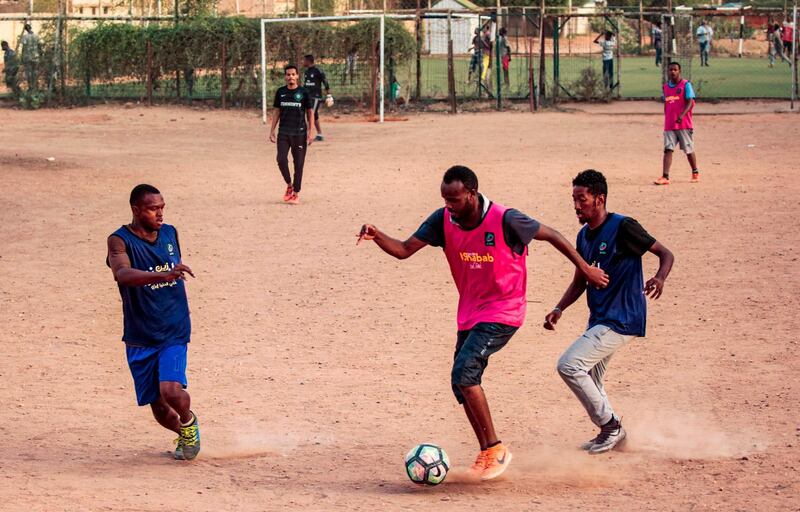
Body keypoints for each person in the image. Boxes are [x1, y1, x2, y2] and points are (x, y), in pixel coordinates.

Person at [357, 165, 609, 480]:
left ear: (472, 194)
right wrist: (377, 234)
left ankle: (495, 448)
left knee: (465, 371)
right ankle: (487, 451)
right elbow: (404, 250)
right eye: (445, 200)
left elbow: (553, 235)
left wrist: (585, 268)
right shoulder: (443, 220)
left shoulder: (506, 219)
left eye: (456, 200)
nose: (449, 206)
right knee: (459, 383)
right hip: (471, 313)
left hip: (505, 310)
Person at [546, 170, 674, 455]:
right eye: (574, 200)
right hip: (601, 319)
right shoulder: (584, 236)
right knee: (591, 377)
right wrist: (559, 308)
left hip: (622, 318)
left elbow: (666, 254)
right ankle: (617, 435)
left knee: (569, 365)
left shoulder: (623, 227)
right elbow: (582, 277)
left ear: (599, 199)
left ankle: (610, 427)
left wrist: (660, 277)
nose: (577, 206)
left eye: (582, 199)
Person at [106, 184, 201, 461]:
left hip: (173, 325)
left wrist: (170, 276)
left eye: (162, 208)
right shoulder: (119, 240)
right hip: (139, 333)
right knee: (158, 407)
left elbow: (174, 268)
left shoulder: (170, 233)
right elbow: (122, 274)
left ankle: (188, 421)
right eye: (152, 209)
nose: (160, 214)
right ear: (136, 210)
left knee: (170, 390)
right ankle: (184, 432)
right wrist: (164, 276)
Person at [269, 64, 314, 205]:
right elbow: (276, 111)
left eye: (293, 74)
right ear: (285, 77)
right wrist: (272, 130)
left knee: (298, 164)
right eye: (288, 75)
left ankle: (296, 193)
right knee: (281, 159)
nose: (291, 77)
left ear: (297, 76)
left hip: (299, 133)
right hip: (283, 132)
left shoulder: (304, 93)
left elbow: (310, 112)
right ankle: (289, 185)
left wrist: (311, 130)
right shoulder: (280, 92)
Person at [655, 62, 700, 185]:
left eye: (675, 69)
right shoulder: (665, 87)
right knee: (668, 149)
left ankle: (695, 171)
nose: (672, 72)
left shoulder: (686, 85)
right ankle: (665, 176)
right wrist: (667, 117)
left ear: (679, 71)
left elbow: (691, 102)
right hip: (669, 125)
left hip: (684, 124)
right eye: (670, 70)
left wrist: (682, 115)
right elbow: (666, 103)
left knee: (688, 150)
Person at [303, 54, 331, 142]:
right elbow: (306, 84)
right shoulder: (306, 72)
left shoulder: (318, 70)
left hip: (315, 97)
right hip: (307, 97)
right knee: (314, 116)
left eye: (304, 60)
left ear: (308, 61)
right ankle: (319, 134)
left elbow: (325, 82)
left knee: (310, 114)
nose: (303, 62)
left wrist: (329, 95)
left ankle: (308, 135)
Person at [20, 23, 39, 91]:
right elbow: (39, 45)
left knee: (29, 73)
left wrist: (22, 56)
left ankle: (31, 87)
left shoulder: (25, 37)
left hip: (28, 56)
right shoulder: (36, 36)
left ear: (26, 29)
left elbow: (24, 47)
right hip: (36, 56)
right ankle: (35, 86)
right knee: (35, 72)